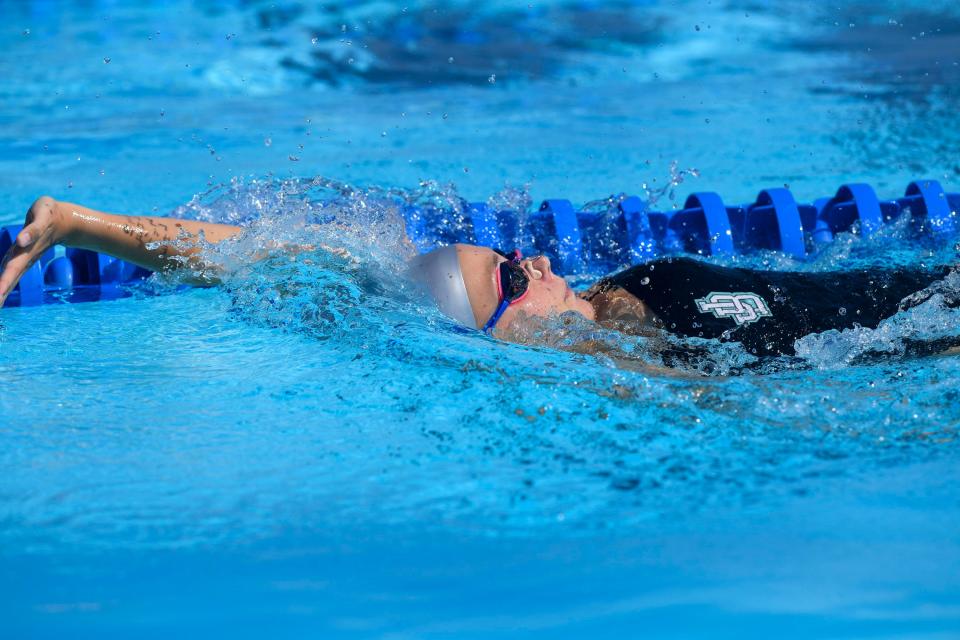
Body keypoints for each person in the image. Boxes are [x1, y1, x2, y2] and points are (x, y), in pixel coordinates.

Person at [2, 196, 956, 359]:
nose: (539, 257)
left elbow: (265, 249)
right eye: (512, 270)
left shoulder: (629, 287)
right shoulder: (642, 367)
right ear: (501, 325)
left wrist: (83, 225)